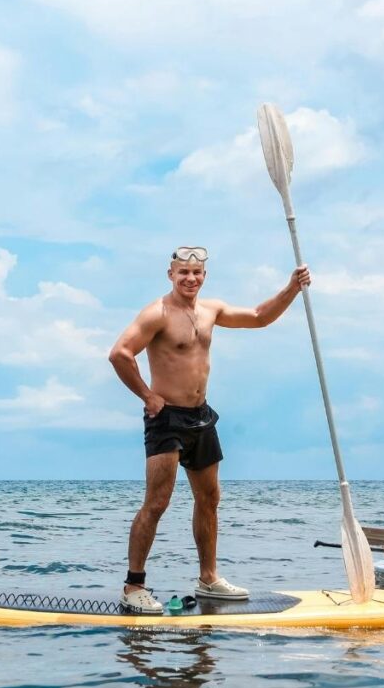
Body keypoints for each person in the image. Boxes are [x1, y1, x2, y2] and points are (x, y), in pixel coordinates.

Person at [108, 246, 311, 614]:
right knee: (157, 503)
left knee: (210, 499)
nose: (190, 278)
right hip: (166, 419)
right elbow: (120, 353)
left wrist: (291, 288)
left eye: (196, 273)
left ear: (204, 276)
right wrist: (148, 395)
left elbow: (259, 317)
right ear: (170, 274)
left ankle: (208, 579)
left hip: (200, 416)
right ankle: (133, 586)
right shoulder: (157, 313)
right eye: (183, 272)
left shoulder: (211, 310)